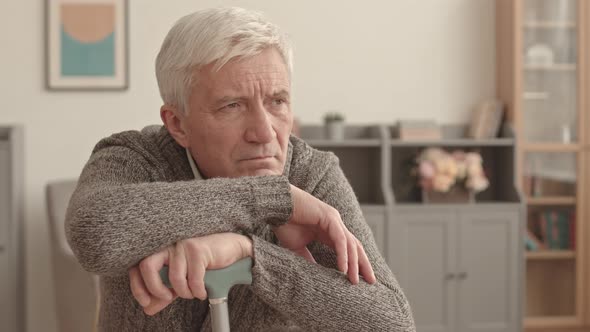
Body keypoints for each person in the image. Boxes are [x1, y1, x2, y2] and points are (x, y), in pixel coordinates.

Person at [65, 6, 415, 332]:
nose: (265, 132)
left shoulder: (312, 173)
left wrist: (252, 257)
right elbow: (92, 234)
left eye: (277, 102)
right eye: (232, 106)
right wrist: (271, 198)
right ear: (177, 124)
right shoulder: (134, 158)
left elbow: (390, 322)